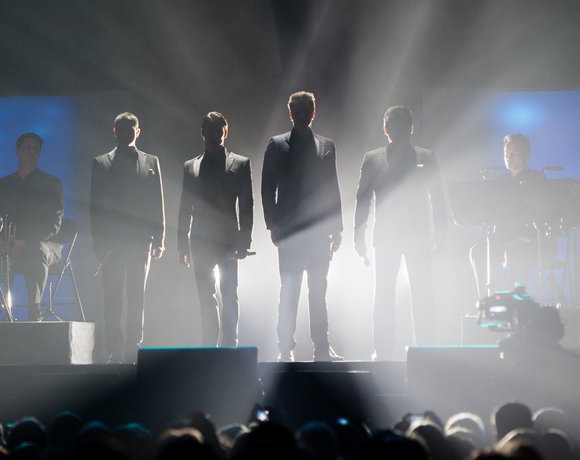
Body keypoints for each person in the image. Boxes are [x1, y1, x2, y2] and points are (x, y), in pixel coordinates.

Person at [354, 105, 447, 360]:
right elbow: (363, 199)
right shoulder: (374, 158)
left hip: (416, 234)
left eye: (402, 126)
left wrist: (441, 230)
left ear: (410, 128)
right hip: (389, 236)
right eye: (396, 126)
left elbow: (437, 195)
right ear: (387, 129)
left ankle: (424, 348)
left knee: (419, 291)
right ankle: (384, 350)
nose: (399, 130)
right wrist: (358, 235)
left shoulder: (425, 157)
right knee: (388, 293)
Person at [261, 91, 343, 362]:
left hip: (319, 231)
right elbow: (267, 188)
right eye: (298, 110)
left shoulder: (327, 145)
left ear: (313, 113)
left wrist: (337, 227)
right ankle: (285, 348)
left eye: (306, 109)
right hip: (290, 232)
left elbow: (332, 186)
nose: (302, 114)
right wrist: (273, 225)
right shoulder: (277, 145)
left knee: (318, 290)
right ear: (291, 113)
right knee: (290, 290)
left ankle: (322, 347)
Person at [91, 112, 165, 364]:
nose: (126, 133)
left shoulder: (151, 161)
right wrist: (99, 243)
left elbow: (157, 200)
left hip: (141, 240)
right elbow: (95, 205)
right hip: (111, 242)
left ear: (138, 131)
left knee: (137, 296)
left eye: (130, 129)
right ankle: (114, 349)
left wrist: (160, 238)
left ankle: (134, 348)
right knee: (112, 296)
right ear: (115, 132)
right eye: (121, 129)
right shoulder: (100, 163)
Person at [178, 112, 253, 347]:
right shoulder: (190, 166)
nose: (215, 133)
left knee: (229, 294)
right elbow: (184, 206)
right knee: (206, 296)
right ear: (203, 132)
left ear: (225, 131)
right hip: (200, 239)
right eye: (211, 129)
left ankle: (230, 345)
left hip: (229, 239)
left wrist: (244, 240)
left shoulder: (240, 163)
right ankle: (209, 346)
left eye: (219, 128)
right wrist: (182, 243)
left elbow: (247, 204)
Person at [0, 133, 64, 321]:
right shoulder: (4, 184)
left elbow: (53, 224)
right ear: (17, 151)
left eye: (36, 149)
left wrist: (24, 241)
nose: (32, 152)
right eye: (27, 148)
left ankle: (34, 311)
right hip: (13, 242)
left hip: (45, 244)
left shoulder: (51, 184)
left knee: (36, 250)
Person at [469, 134, 545, 298]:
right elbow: (491, 210)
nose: (508, 157)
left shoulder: (535, 179)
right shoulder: (500, 182)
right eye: (505, 153)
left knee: (516, 251)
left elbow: (541, 212)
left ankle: (515, 300)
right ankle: (487, 298)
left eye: (513, 153)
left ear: (524, 154)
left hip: (528, 238)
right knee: (477, 251)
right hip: (503, 237)